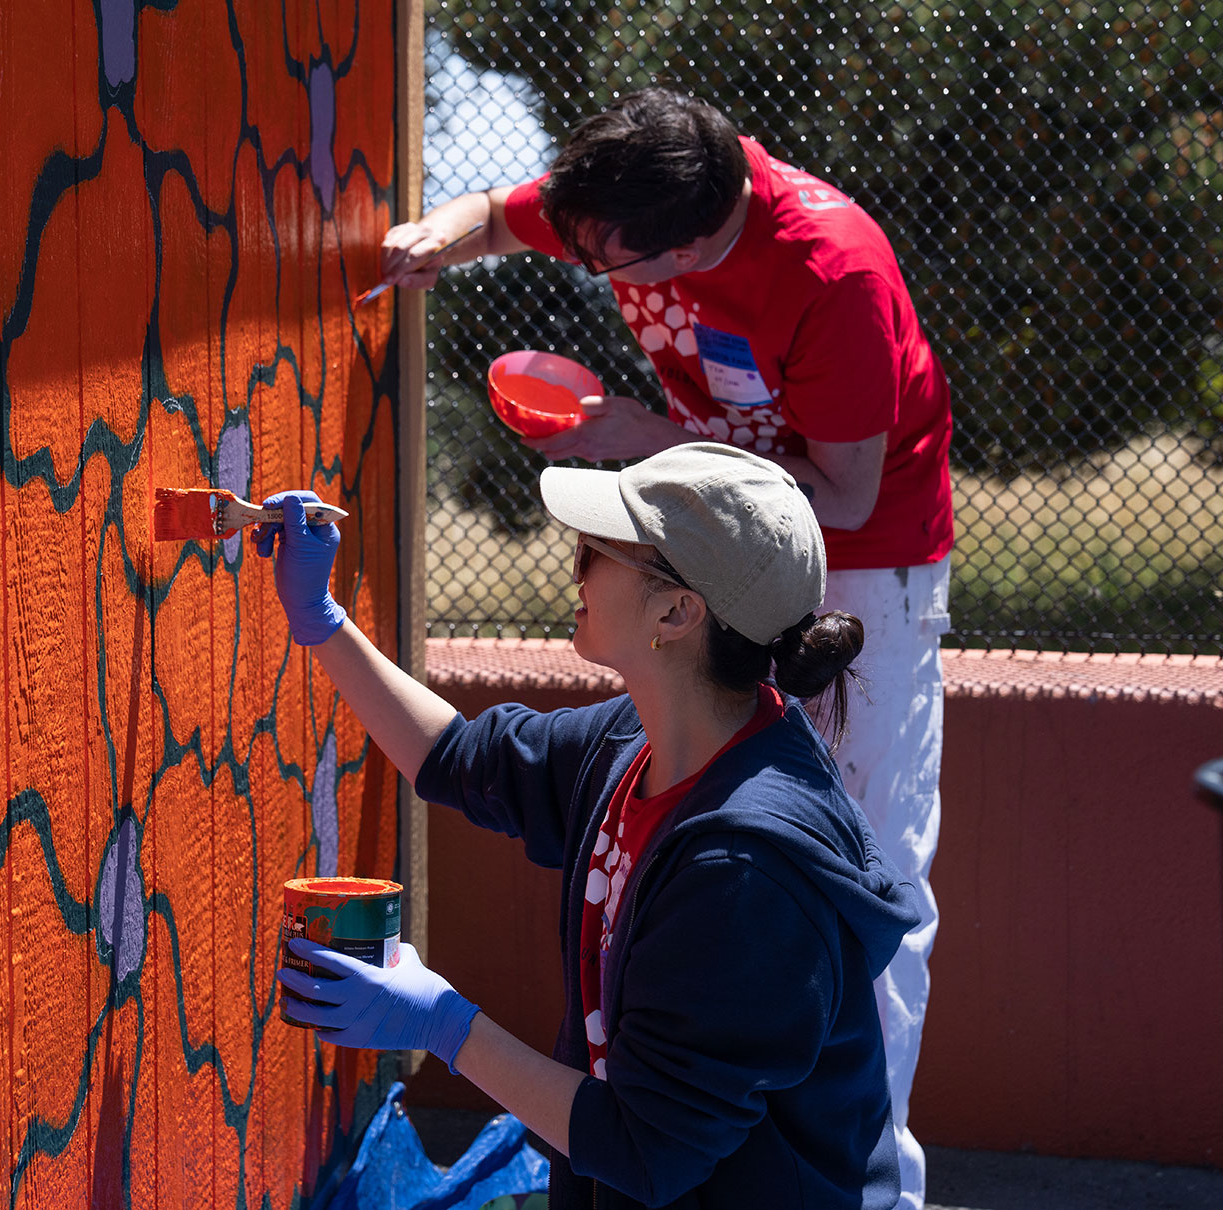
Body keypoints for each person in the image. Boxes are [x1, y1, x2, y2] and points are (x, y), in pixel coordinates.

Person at [380, 87, 952, 1207]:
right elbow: (500, 216)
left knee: (858, 876)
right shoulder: (639, 182)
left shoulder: (829, 271)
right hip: (716, 524)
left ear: (690, 239)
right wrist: (434, 238)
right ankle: (690, 1127)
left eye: (613, 263)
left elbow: (846, 489)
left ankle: (866, 1187)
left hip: (859, 558)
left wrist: (655, 443)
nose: (595, 269)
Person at [256, 443, 921, 1210]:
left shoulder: (742, 871)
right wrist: (321, 620)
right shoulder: (642, 742)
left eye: (594, 551)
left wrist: (444, 1025)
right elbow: (462, 758)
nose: (573, 568)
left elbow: (648, 1148)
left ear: (677, 612)